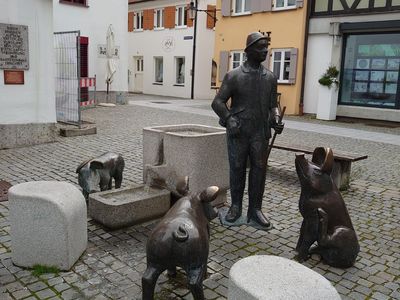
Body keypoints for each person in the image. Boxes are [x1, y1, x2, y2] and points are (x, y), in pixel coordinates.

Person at [211, 32, 284, 228]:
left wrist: (276, 118)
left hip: (260, 132)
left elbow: (273, 105)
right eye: (260, 48)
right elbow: (217, 102)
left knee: (259, 170)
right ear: (249, 51)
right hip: (239, 131)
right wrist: (228, 118)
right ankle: (236, 207)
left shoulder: (270, 77)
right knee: (237, 169)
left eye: (266, 48)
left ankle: (255, 209)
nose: (265, 52)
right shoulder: (234, 76)